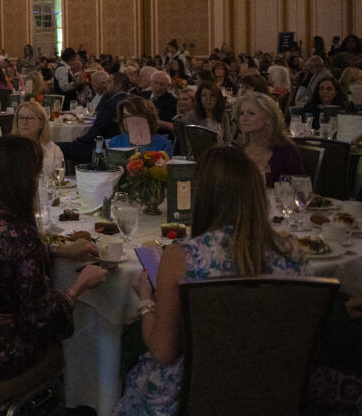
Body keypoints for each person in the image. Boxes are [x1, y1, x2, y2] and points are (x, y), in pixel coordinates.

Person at [112, 146, 305, 416]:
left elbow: (163, 351)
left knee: (124, 341)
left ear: (202, 193)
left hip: (197, 393)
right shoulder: (292, 249)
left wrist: (146, 300)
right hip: (273, 387)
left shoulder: (182, 257)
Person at [0, 135, 106, 380]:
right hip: (1, 353)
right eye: (37, 174)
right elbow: (42, 317)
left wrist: (58, 250)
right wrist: (80, 285)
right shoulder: (22, 235)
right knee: (88, 333)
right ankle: (82, 396)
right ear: (26, 179)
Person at [59, 72, 131, 164]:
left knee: (57, 147)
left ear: (118, 86)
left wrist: (77, 142)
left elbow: (94, 133)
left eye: (109, 82)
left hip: (102, 148)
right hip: (127, 147)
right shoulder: (135, 101)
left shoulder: (109, 105)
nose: (106, 85)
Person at [235, 91, 304, 186]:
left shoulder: (287, 151)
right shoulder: (236, 150)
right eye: (241, 113)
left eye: (251, 113)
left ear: (268, 118)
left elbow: (299, 187)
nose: (244, 118)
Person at [13, 101, 64, 178]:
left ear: (42, 123)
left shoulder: (54, 150)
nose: (24, 122)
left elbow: (58, 180)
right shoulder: (9, 149)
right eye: (21, 117)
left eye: (30, 118)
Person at [108, 96, 173, 155]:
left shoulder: (163, 144)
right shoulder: (115, 142)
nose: (129, 121)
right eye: (125, 116)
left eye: (134, 116)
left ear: (147, 118)